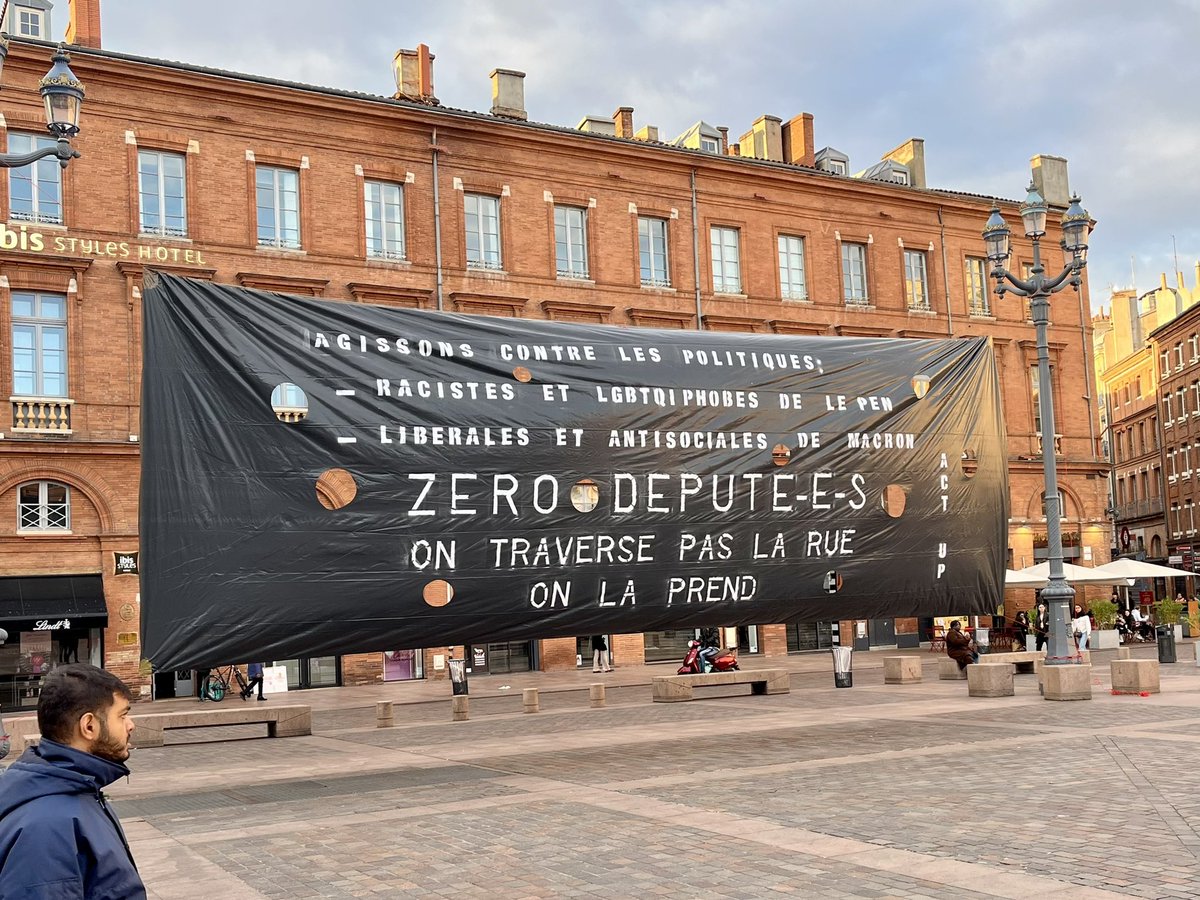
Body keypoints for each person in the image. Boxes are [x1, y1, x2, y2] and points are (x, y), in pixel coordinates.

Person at [0, 663, 145, 899]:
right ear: (89, 726)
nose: (130, 725)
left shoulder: (80, 789)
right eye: (122, 715)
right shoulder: (47, 827)